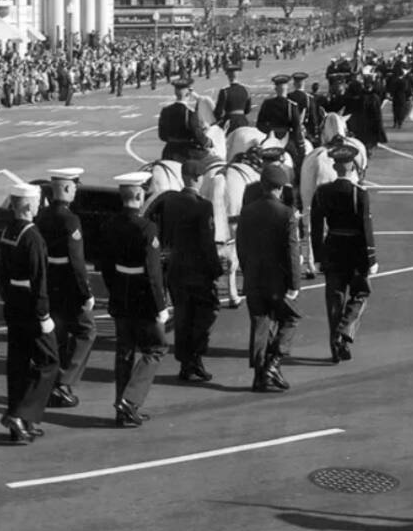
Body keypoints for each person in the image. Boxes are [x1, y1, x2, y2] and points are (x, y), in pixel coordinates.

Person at [99, 171, 170, 427]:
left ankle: (122, 408)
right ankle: (129, 401)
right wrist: (160, 306)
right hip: (143, 298)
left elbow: (105, 265)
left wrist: (115, 289)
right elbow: (153, 273)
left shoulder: (109, 225)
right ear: (140, 196)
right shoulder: (147, 228)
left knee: (124, 352)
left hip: (120, 295)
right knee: (156, 348)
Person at [148, 159, 224, 383]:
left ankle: (185, 362)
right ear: (199, 178)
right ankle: (195, 357)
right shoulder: (203, 206)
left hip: (175, 269)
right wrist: (216, 270)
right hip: (198, 272)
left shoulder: (170, 202)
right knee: (206, 315)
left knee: (182, 317)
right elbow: (207, 243)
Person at [0, 183, 58, 443]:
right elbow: (39, 278)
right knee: (49, 361)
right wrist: (44, 315)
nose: (38, 206)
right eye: (36, 202)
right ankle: (21, 415)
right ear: (28, 205)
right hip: (32, 308)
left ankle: (20, 425)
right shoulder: (32, 236)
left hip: (13, 304)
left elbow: (0, 272)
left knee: (18, 364)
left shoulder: (8, 231)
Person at [235, 163, 301, 393]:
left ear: (262, 186)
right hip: (277, 280)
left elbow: (241, 248)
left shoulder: (248, 211)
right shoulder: (286, 213)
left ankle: (259, 375)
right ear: (281, 188)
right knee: (290, 320)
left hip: (253, 277)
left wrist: (247, 270)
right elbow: (292, 251)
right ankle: (274, 363)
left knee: (260, 324)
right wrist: (294, 284)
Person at [310, 144, 378, 363]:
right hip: (356, 252)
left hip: (332, 249)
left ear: (336, 167)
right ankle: (345, 328)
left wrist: (318, 256)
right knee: (361, 293)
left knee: (334, 299)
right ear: (352, 167)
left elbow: (316, 226)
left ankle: (335, 345)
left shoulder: (322, 192)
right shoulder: (360, 194)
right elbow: (366, 228)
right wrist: (372, 258)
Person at [36, 167, 95, 408]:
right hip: (68, 285)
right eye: (74, 187)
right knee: (86, 331)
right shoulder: (70, 219)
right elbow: (76, 262)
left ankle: (53, 385)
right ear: (68, 189)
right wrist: (86, 293)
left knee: (58, 335)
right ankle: (63, 382)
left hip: (49, 282)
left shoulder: (43, 216)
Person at [255, 74, 306, 171]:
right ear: (287, 88)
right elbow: (297, 128)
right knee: (297, 161)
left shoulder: (267, 104)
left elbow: (259, 124)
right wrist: (301, 146)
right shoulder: (292, 106)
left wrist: (269, 131)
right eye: (281, 87)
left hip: (269, 138)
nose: (282, 89)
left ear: (275, 89)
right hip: (286, 139)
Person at [158, 78, 212, 162]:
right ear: (188, 93)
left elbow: (162, 135)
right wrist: (209, 142)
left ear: (175, 93)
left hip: (168, 152)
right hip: (187, 153)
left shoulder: (165, 111)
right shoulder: (190, 113)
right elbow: (197, 135)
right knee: (215, 163)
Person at [212, 65, 251, 134]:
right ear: (237, 75)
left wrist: (218, 117)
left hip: (230, 122)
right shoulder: (246, 90)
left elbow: (218, 112)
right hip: (243, 121)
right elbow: (247, 110)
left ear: (228, 76)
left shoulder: (225, 91)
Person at [286, 72, 321, 144]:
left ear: (294, 84)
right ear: (303, 84)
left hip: (289, 132)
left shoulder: (288, 97)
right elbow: (313, 118)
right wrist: (315, 134)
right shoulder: (309, 98)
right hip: (305, 132)